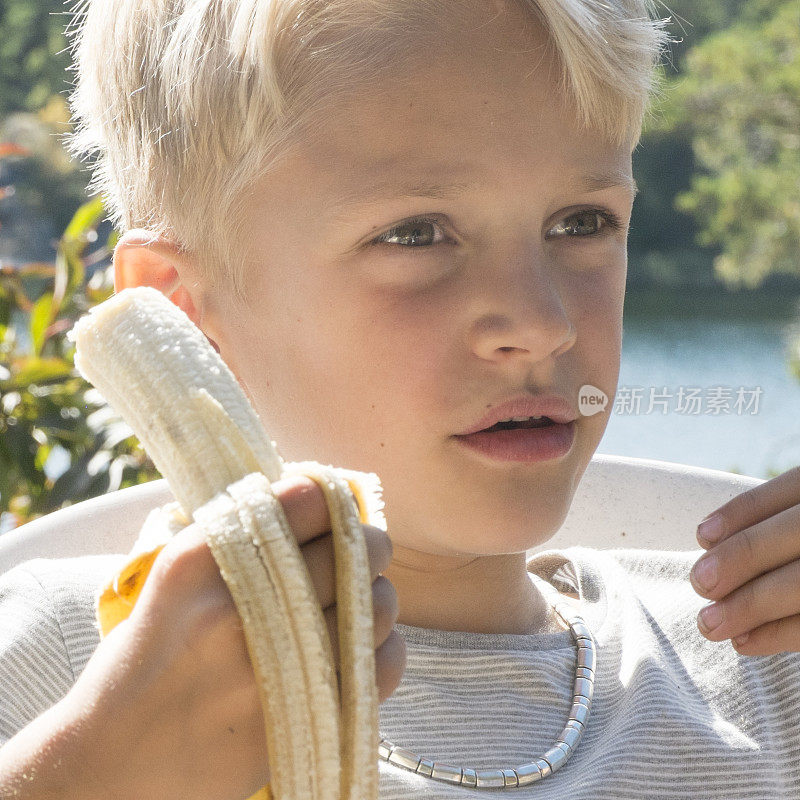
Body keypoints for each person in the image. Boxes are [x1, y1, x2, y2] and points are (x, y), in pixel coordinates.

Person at [3, 0, 800, 796]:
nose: (541, 324)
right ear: (182, 310)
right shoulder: (77, 667)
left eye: (582, 221)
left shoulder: (767, 662)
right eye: (416, 234)